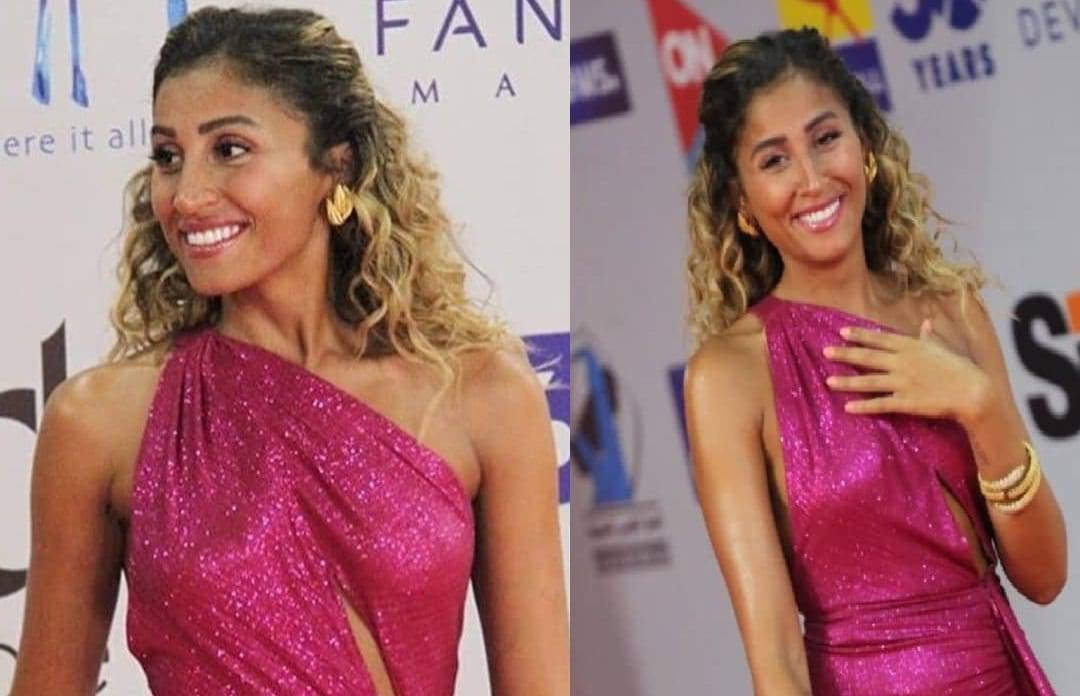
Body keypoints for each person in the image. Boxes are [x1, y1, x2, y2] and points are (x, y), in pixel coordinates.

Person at [10, 7, 568, 695]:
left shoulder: (482, 393)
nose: (187, 196)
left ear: (336, 164)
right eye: (167, 157)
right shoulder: (100, 423)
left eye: (230, 149)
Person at [683, 28, 1066, 695]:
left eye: (825, 138)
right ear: (743, 205)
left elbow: (1045, 576)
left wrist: (978, 404)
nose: (811, 179)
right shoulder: (729, 376)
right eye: (774, 160)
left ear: (865, 148)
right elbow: (775, 653)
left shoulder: (952, 311)